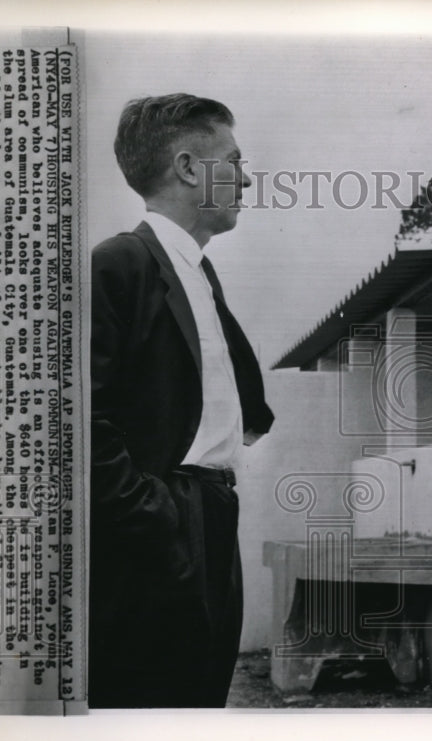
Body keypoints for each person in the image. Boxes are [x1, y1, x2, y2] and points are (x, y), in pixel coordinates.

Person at [89, 94, 274, 708]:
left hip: (213, 521)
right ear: (190, 168)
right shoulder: (120, 265)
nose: (246, 177)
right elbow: (78, 420)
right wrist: (155, 516)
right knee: (149, 711)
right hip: (160, 530)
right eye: (235, 160)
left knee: (199, 703)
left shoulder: (197, 270)